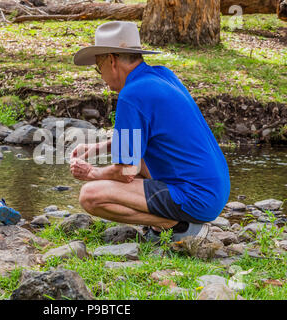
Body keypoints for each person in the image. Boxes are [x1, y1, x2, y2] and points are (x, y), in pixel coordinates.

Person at [70, 21, 231, 243]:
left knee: (90, 196)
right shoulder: (163, 75)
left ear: (112, 60)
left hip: (195, 197)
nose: (101, 75)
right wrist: (97, 148)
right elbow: (145, 135)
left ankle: (177, 226)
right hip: (214, 190)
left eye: (99, 67)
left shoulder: (131, 95)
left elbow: (126, 172)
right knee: (141, 157)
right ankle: (173, 221)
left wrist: (92, 173)